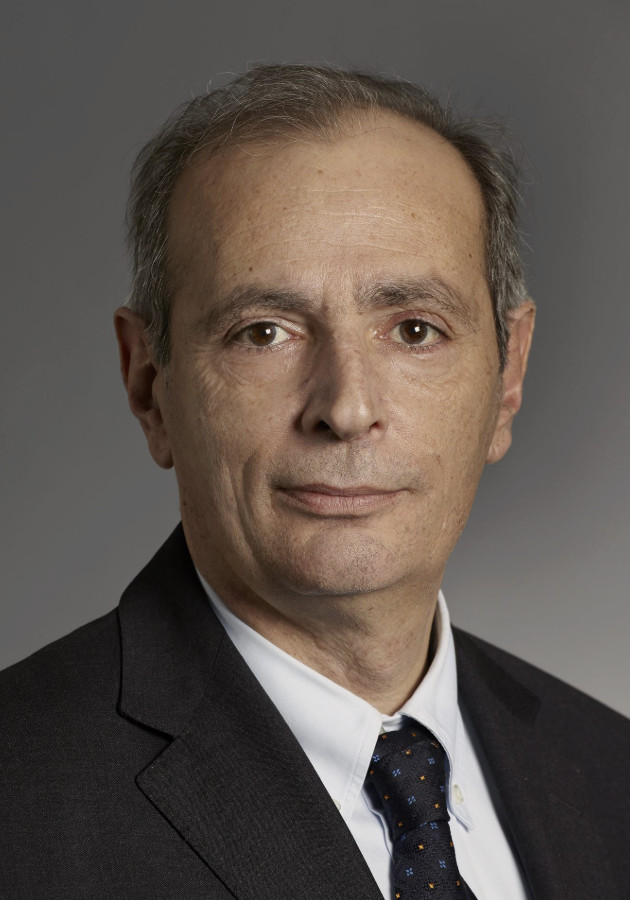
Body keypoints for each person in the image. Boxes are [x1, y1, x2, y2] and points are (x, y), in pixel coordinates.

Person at [1, 64, 628, 900]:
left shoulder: (609, 773)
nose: (346, 408)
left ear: (507, 378)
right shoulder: (21, 802)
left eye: (415, 330)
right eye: (264, 332)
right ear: (149, 383)